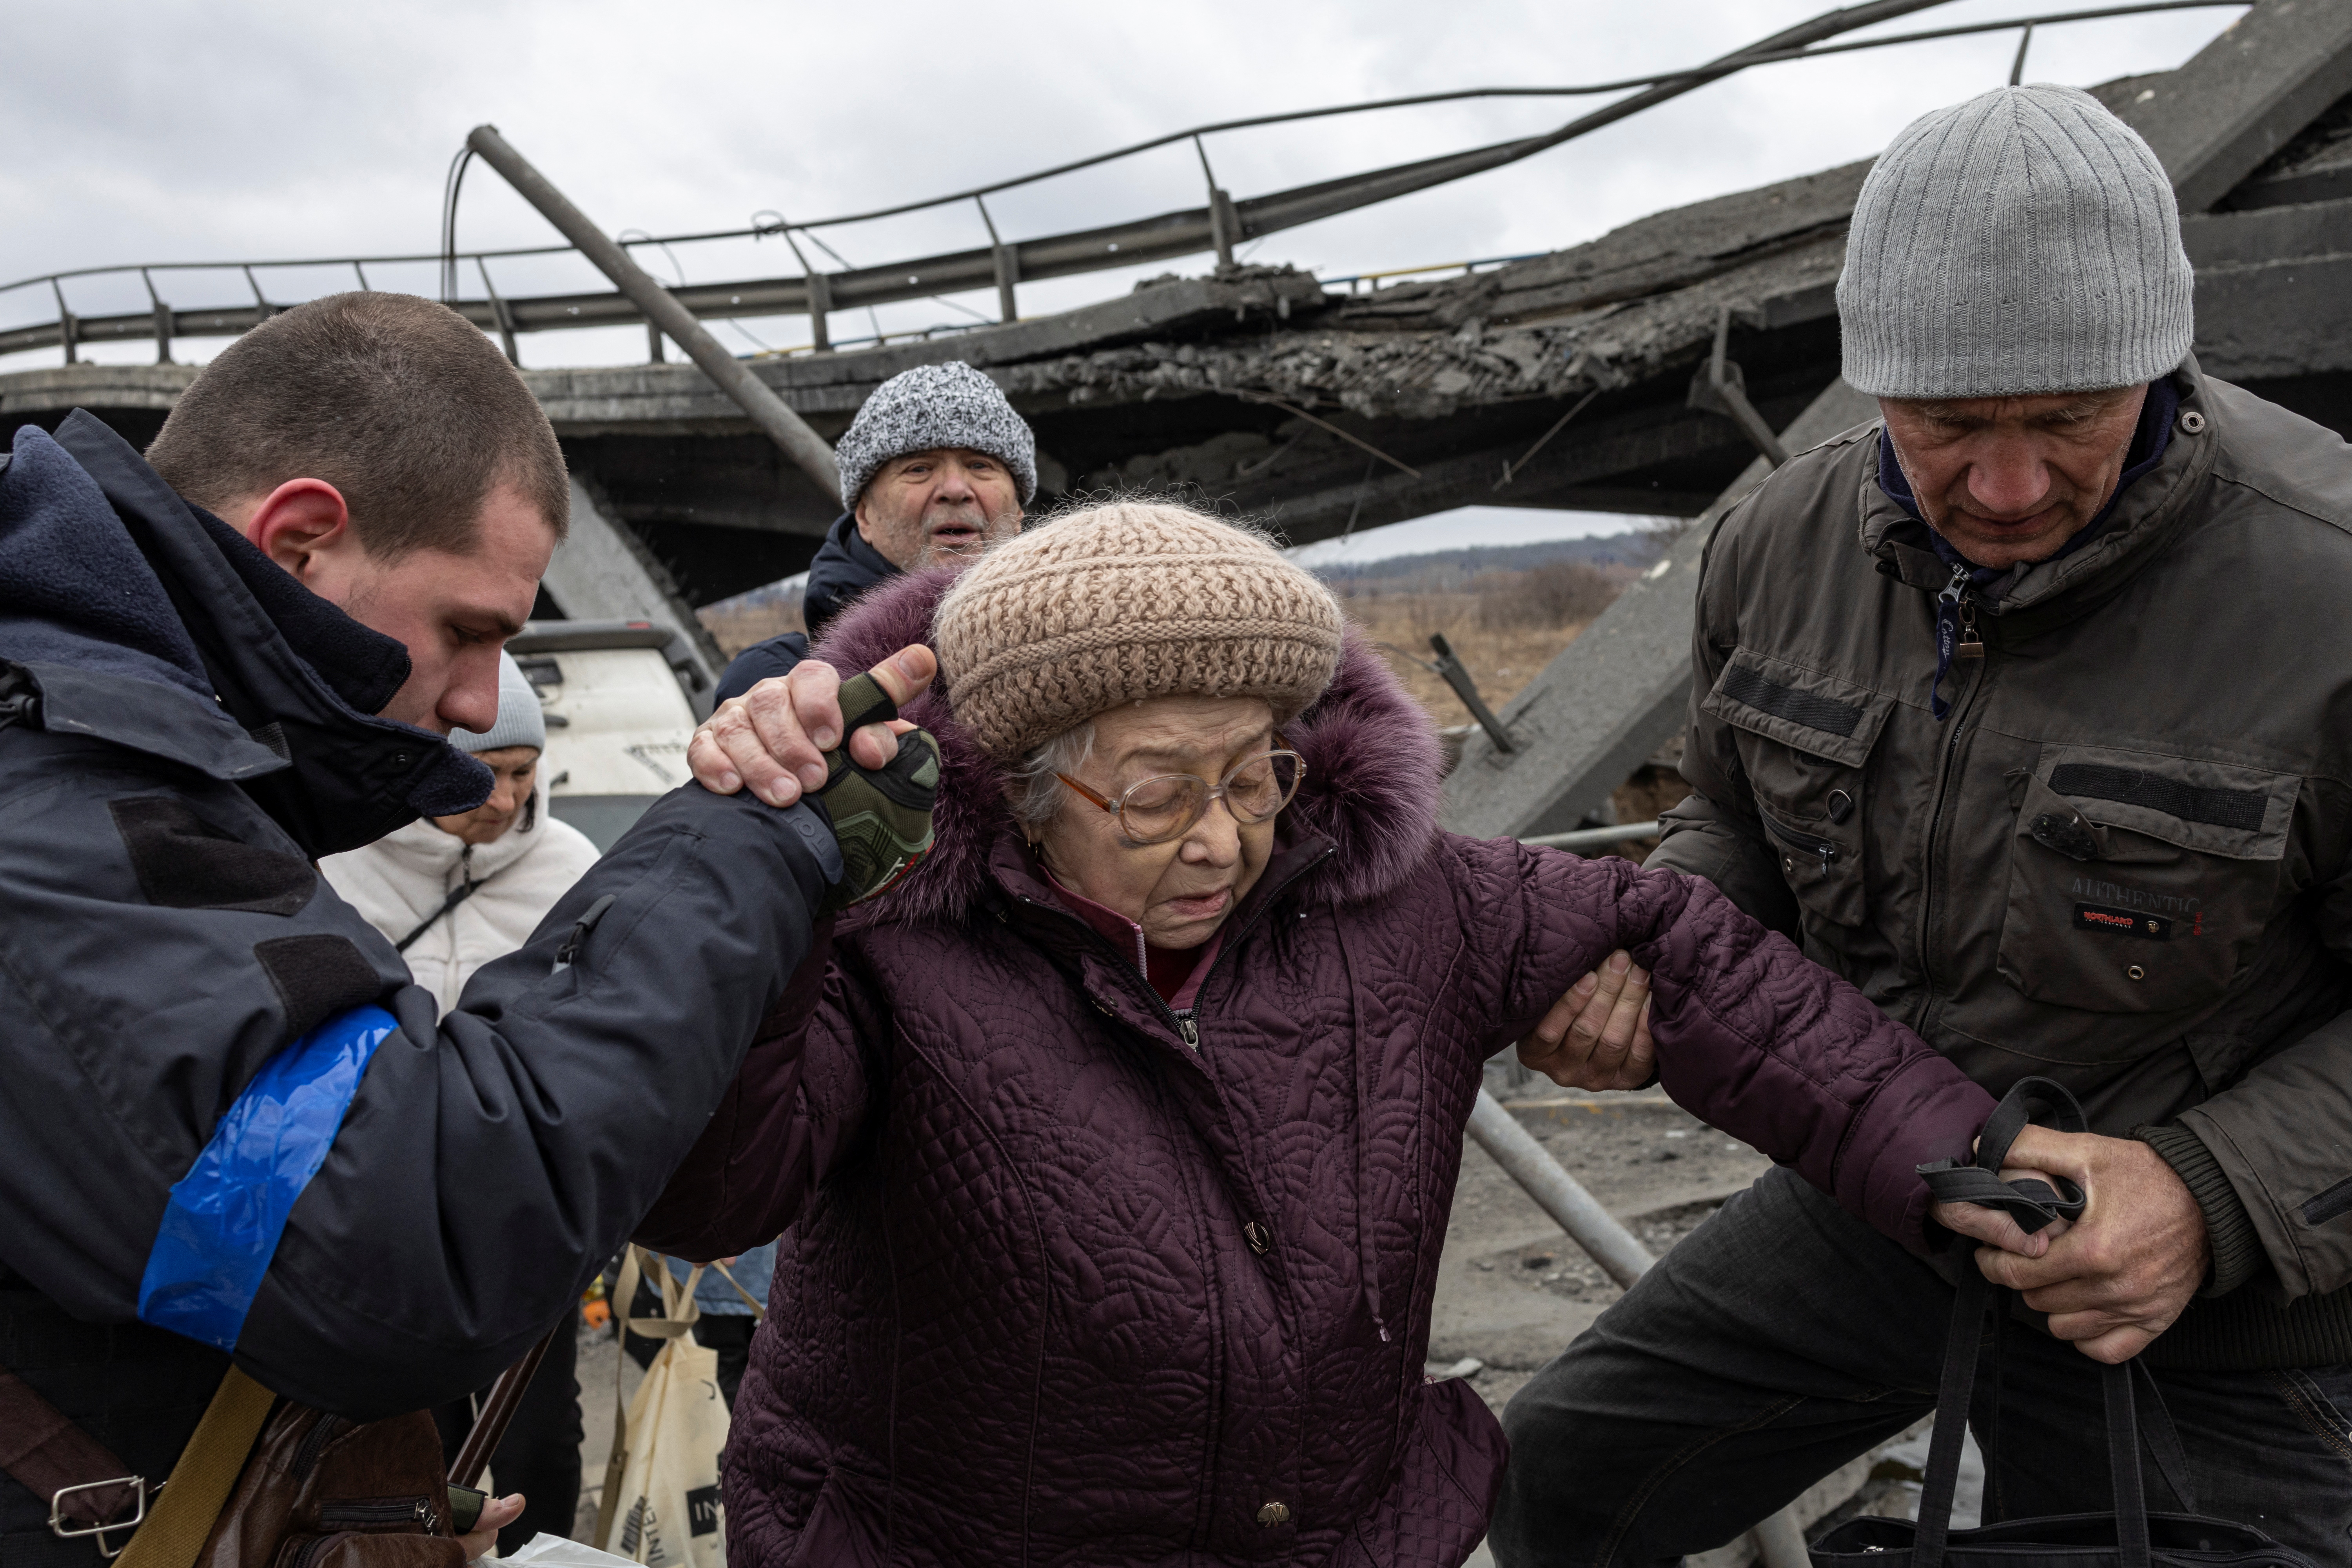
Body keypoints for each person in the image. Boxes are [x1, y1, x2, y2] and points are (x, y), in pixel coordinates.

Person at [640, 500, 1998, 1568]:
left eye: (1254, 776)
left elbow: (1694, 953)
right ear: (1024, 784)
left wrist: (1976, 1169)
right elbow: (717, 1192)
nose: (1223, 840)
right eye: (1159, 792)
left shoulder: (1405, 900)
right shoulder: (890, 943)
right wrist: (768, 880)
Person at [1490, 86, 2352, 1564]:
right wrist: (1640, 954)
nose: (2005, 487)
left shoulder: (2327, 585)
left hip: (2222, 1297)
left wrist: (2202, 1197)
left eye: (2067, 422)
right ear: (1869, 373)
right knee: (1545, 1485)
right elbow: (1734, 821)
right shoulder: (1776, 543)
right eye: (1949, 427)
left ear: (2160, 360)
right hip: (1885, 1209)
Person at [0, 291, 934, 1561]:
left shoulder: (125, 761)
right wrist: (749, 839)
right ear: (297, 544)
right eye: (469, 630)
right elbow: (404, 1243)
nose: (485, 701)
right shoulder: (56, 800)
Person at [319, 650, 599, 1554]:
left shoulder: (572, 868)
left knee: (540, 1429)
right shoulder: (334, 861)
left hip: (525, 1192)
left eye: (525, 772)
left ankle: (539, 1550)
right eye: (485, 771)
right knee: (407, 1427)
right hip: (379, 1197)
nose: (507, 797)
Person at [714, 360, 1031, 702]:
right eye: (919, 468)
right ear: (864, 516)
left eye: (980, 466)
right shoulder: (781, 683)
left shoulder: (1081, 657)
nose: (955, 489)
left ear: (1017, 512)